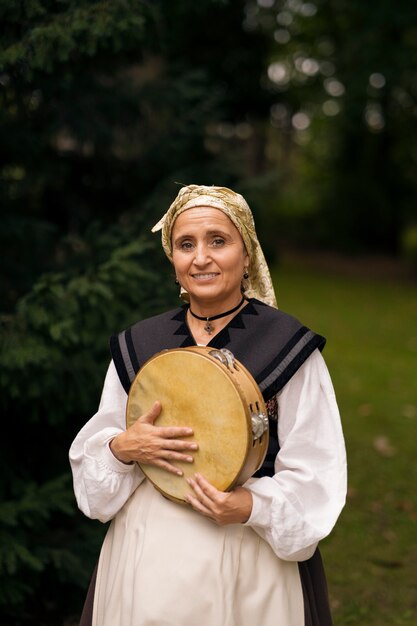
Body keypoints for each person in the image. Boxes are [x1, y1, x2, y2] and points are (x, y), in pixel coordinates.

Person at [70, 184, 347, 626]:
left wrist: (250, 507)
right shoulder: (140, 344)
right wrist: (123, 448)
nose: (201, 258)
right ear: (173, 259)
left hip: (247, 561)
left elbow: (317, 473)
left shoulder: (289, 346)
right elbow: (96, 486)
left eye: (218, 240)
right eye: (186, 244)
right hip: (146, 557)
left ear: (247, 252)